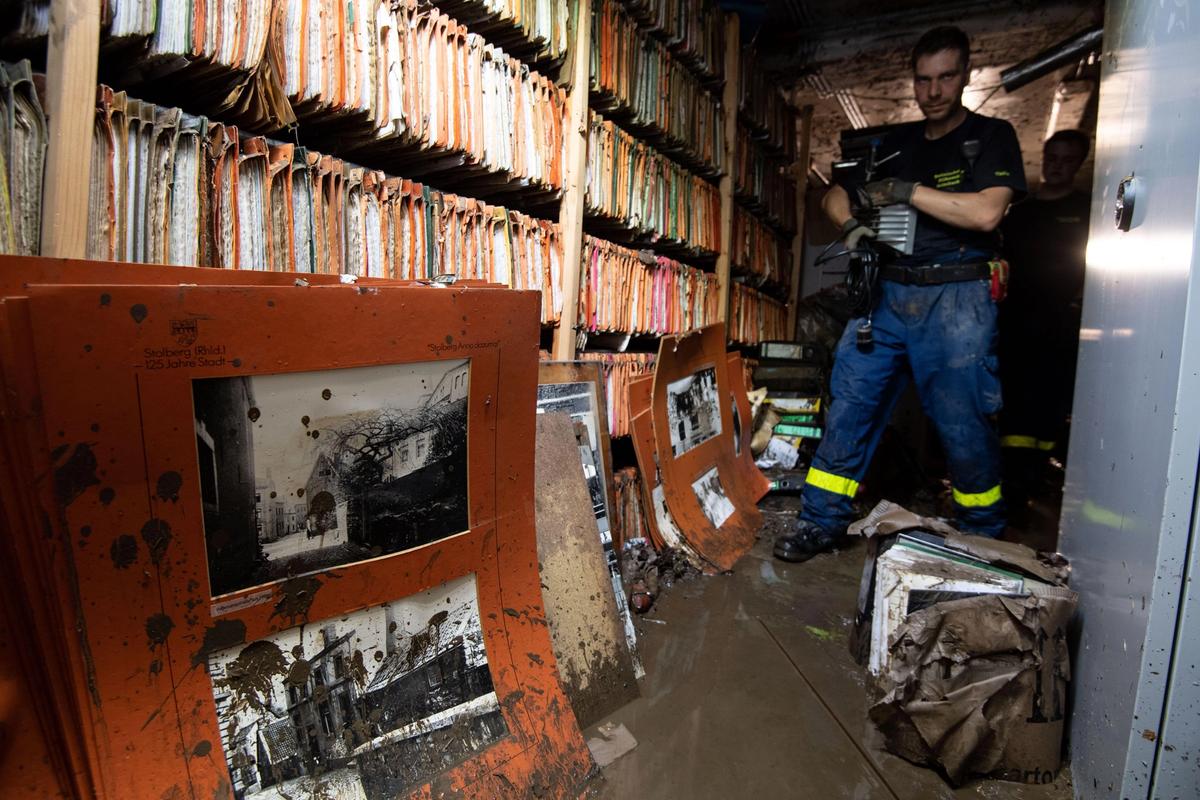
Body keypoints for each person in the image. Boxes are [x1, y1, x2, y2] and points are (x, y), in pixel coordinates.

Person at [774, 25, 1027, 563]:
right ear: (912, 81)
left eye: (946, 78)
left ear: (963, 76)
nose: (933, 91)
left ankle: (981, 538)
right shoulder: (894, 144)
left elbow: (986, 213)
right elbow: (835, 195)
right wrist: (852, 228)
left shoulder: (992, 136)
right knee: (850, 408)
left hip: (958, 296)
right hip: (887, 297)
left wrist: (909, 192)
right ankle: (820, 522)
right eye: (923, 80)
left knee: (963, 424)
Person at [997, 130, 1091, 512]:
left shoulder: (1087, 211)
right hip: (1015, 324)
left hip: (1059, 326)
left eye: (1068, 160)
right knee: (1012, 406)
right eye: (1053, 157)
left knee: (1047, 408)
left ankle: (1033, 479)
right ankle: (1011, 487)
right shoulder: (1020, 213)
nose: (1058, 166)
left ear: (1079, 164)